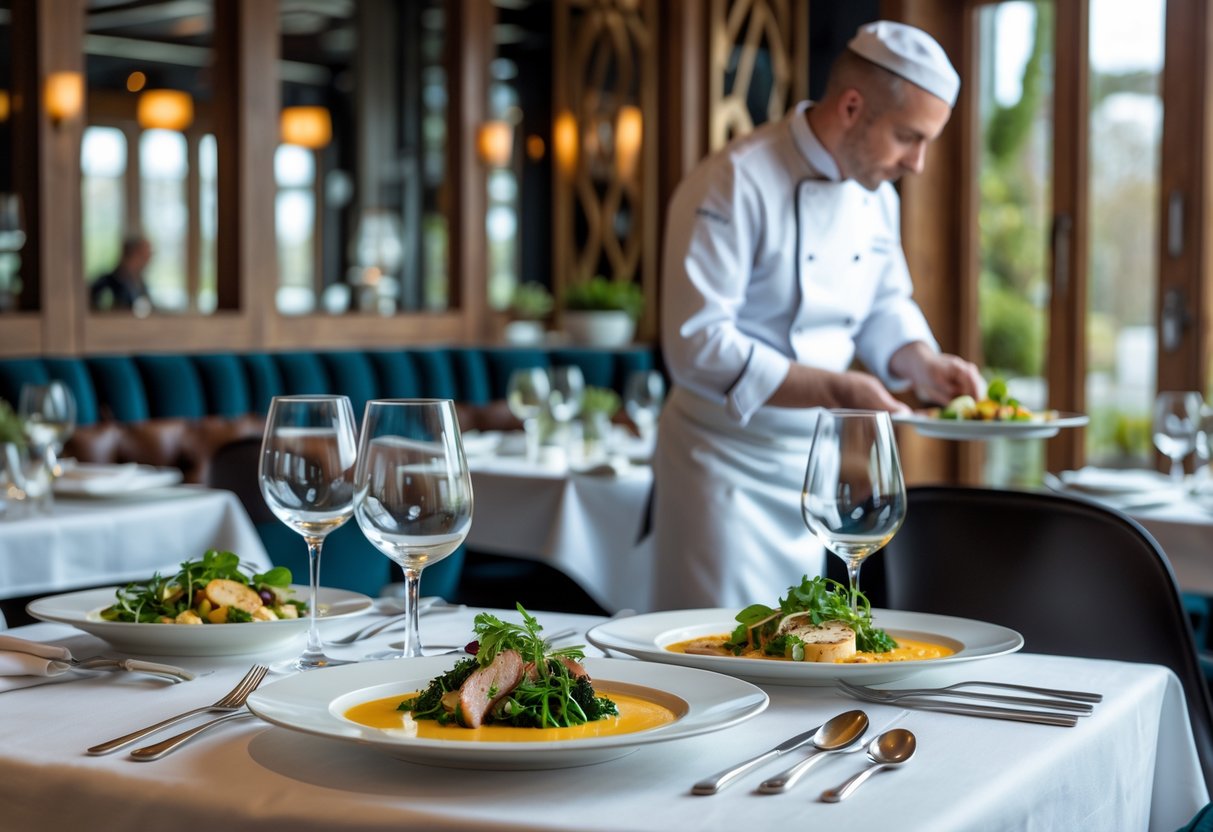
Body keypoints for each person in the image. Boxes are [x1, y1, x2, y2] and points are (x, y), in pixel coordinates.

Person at [651, 20, 985, 610]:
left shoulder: (877, 197)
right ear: (852, 107)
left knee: (797, 645)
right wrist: (838, 389)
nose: (918, 163)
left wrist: (925, 364)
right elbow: (697, 345)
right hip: (721, 466)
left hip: (808, 467)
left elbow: (883, 305)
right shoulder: (734, 180)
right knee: (718, 647)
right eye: (908, 137)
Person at [90, 235, 152, 313]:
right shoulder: (106, 284)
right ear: (132, 254)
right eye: (143, 257)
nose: (147, 262)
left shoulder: (140, 285)